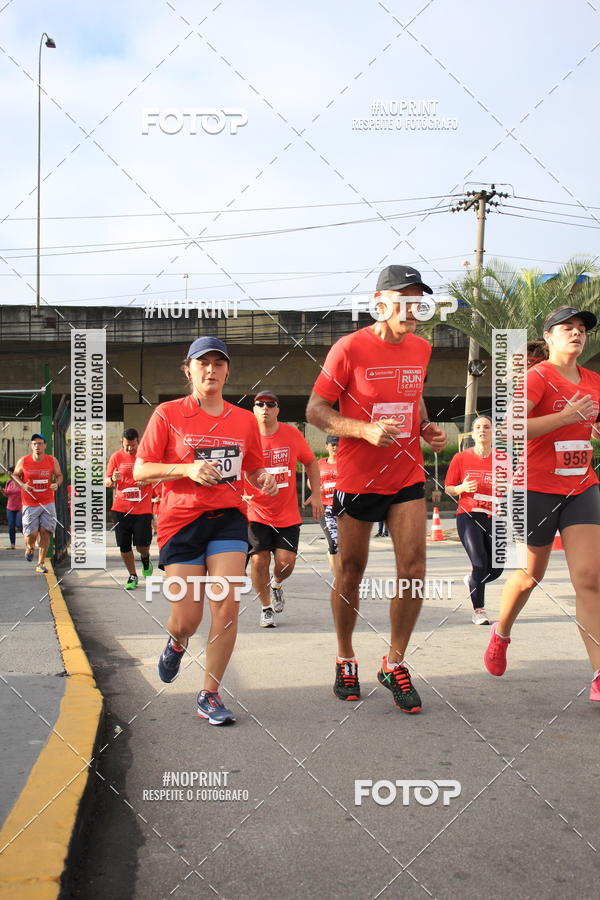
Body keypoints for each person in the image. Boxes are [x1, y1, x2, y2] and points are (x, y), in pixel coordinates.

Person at [307, 264, 446, 712]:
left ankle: (395, 662)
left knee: (414, 566)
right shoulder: (348, 348)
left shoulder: (422, 348)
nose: (411, 308)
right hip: (357, 476)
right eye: (402, 298)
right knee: (351, 569)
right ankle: (345, 656)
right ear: (380, 301)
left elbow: (413, 393)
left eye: (417, 299)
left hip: (405, 473)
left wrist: (424, 426)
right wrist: (361, 430)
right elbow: (315, 409)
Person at [134, 337, 277, 725]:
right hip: (180, 522)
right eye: (203, 363)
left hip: (227, 519)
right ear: (189, 369)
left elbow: (253, 467)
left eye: (218, 363)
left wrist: (262, 478)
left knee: (227, 605)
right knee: (188, 618)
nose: (211, 370)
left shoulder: (244, 419)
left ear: (227, 371)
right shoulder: (167, 414)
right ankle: (177, 643)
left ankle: (209, 694)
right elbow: (141, 470)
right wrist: (186, 469)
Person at [484, 306, 600, 703]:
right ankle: (501, 632)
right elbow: (510, 428)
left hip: (582, 487)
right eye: (567, 328)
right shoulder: (538, 377)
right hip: (536, 489)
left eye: (582, 328)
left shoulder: (595, 382)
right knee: (530, 575)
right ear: (548, 337)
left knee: (589, 578)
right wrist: (566, 416)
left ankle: (599, 674)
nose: (576, 333)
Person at [246, 390, 323, 628]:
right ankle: (266, 608)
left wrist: (317, 493)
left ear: (278, 410)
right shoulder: (247, 437)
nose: (265, 408)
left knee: (285, 562)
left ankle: (277, 583)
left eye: (271, 404)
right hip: (256, 510)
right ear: (254, 409)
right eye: (260, 404)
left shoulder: (291, 434)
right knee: (259, 560)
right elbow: (235, 467)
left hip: (286, 513)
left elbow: (310, 461)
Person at [445, 416, 503, 625]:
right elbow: (449, 487)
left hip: (495, 516)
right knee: (480, 564)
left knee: (496, 569)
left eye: (486, 427)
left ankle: (473, 582)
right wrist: (461, 488)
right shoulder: (461, 458)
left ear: (492, 432)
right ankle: (479, 611)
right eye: (478, 427)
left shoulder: (502, 459)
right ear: (472, 432)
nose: (482, 430)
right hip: (469, 515)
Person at [105, 428, 154, 589]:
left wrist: (147, 481)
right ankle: (132, 575)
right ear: (122, 442)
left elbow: (158, 476)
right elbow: (107, 481)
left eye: (132, 445)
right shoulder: (116, 457)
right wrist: (113, 478)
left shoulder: (146, 457)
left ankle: (145, 558)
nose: (130, 449)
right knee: (124, 545)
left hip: (142, 509)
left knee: (141, 545)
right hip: (121, 508)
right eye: (127, 446)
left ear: (137, 442)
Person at [12, 433, 63, 574]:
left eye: (40, 443)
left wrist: (56, 484)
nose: (37, 446)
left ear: (45, 445)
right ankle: (29, 547)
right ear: (31, 446)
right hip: (30, 502)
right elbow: (15, 475)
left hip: (47, 501)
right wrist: (22, 485)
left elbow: (59, 475)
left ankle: (40, 563)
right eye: (34, 444)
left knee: (46, 531)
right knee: (32, 534)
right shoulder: (24, 460)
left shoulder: (52, 460)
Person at [317, 435, 340, 579]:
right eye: (332, 445)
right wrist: (315, 489)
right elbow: (311, 482)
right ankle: (338, 578)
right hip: (325, 508)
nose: (335, 447)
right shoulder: (319, 463)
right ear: (326, 446)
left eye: (337, 445)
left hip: (342, 508)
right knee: (334, 542)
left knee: (343, 544)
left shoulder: (345, 463)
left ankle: (340, 569)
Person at [3, 466, 23, 549]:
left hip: (19, 507)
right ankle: (12, 544)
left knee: (19, 524)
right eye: (9, 474)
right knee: (11, 526)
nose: (9, 475)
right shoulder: (8, 483)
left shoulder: (21, 482)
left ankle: (29, 538)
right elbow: (7, 494)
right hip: (10, 507)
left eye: (10, 473)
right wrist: (4, 492)